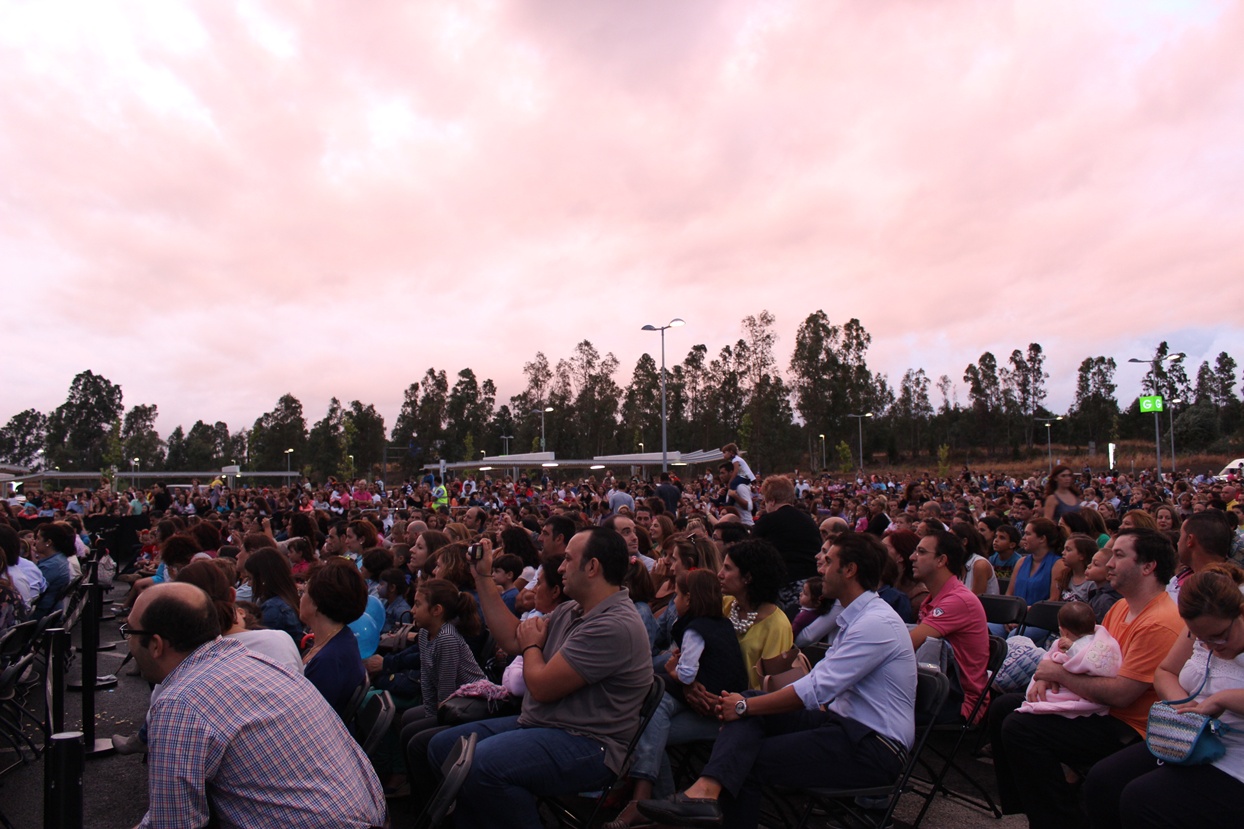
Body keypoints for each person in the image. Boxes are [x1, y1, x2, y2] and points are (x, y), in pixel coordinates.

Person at [636, 531, 917, 829]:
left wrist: (742, 706)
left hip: (873, 745)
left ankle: (705, 794)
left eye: (829, 561)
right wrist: (743, 703)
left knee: (746, 756)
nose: (820, 568)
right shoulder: (857, 616)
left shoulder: (875, 623)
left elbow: (815, 689)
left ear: (849, 570)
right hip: (844, 726)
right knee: (750, 702)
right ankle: (704, 791)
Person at [424, 528, 653, 829]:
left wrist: (532, 645)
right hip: (546, 725)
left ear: (593, 567)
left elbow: (542, 686)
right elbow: (511, 638)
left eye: (568, 560)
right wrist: (482, 577)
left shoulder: (614, 625)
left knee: (481, 766)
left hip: (588, 744)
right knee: (441, 748)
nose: (560, 568)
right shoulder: (573, 609)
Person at [125, 582, 386, 828]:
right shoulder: (255, 661)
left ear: (157, 645)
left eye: (129, 631)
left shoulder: (179, 704)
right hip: (363, 815)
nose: (127, 640)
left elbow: (173, 823)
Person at [987, 527, 1183, 829]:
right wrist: (1047, 672)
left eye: (1119, 555)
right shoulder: (1121, 607)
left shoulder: (1160, 622)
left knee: (1021, 727)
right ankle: (1035, 809)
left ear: (1148, 566)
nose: (1109, 564)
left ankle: (1058, 820)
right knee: (1004, 708)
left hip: (1129, 725)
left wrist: (1057, 673)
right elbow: (1087, 653)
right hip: (1097, 706)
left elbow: (1121, 695)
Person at [1084, 564, 1244, 829]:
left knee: (1144, 800)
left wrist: (1221, 699)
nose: (1212, 647)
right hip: (1192, 736)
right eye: (1202, 639)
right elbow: (1166, 671)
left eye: (1220, 637)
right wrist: (1184, 703)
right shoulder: (1201, 625)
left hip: (1235, 755)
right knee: (1104, 781)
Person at [605, 569, 749, 829]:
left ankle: (647, 802)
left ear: (690, 600)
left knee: (646, 726)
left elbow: (686, 672)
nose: (674, 603)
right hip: (712, 705)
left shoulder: (695, 629)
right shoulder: (722, 624)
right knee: (650, 727)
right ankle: (664, 806)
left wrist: (674, 671)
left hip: (719, 712)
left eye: (678, 597)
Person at [909, 529, 990, 723]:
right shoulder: (934, 598)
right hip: (936, 688)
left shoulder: (957, 600)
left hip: (958, 701)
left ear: (941, 560)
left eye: (921, 552)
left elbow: (907, 645)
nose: (912, 557)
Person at [1016, 601, 1122, 717]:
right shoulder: (1103, 639)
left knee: (1047, 697)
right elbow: (1047, 663)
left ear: (1063, 631)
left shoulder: (1097, 644)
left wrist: (1070, 650)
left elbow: (1087, 659)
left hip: (1082, 692)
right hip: (1063, 683)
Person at [299, 559, 368, 717]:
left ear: (316, 603)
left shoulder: (328, 660)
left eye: (303, 593)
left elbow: (307, 718)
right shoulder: (342, 637)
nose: (300, 598)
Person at [751, 475, 822, 613]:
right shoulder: (808, 521)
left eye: (765, 501)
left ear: (771, 501)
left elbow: (750, 553)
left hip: (783, 588)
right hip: (812, 588)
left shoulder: (767, 521)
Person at [244, 547, 303, 642]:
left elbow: (263, 644)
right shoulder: (287, 599)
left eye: (250, 579)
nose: (249, 584)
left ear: (262, 579)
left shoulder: (274, 609)